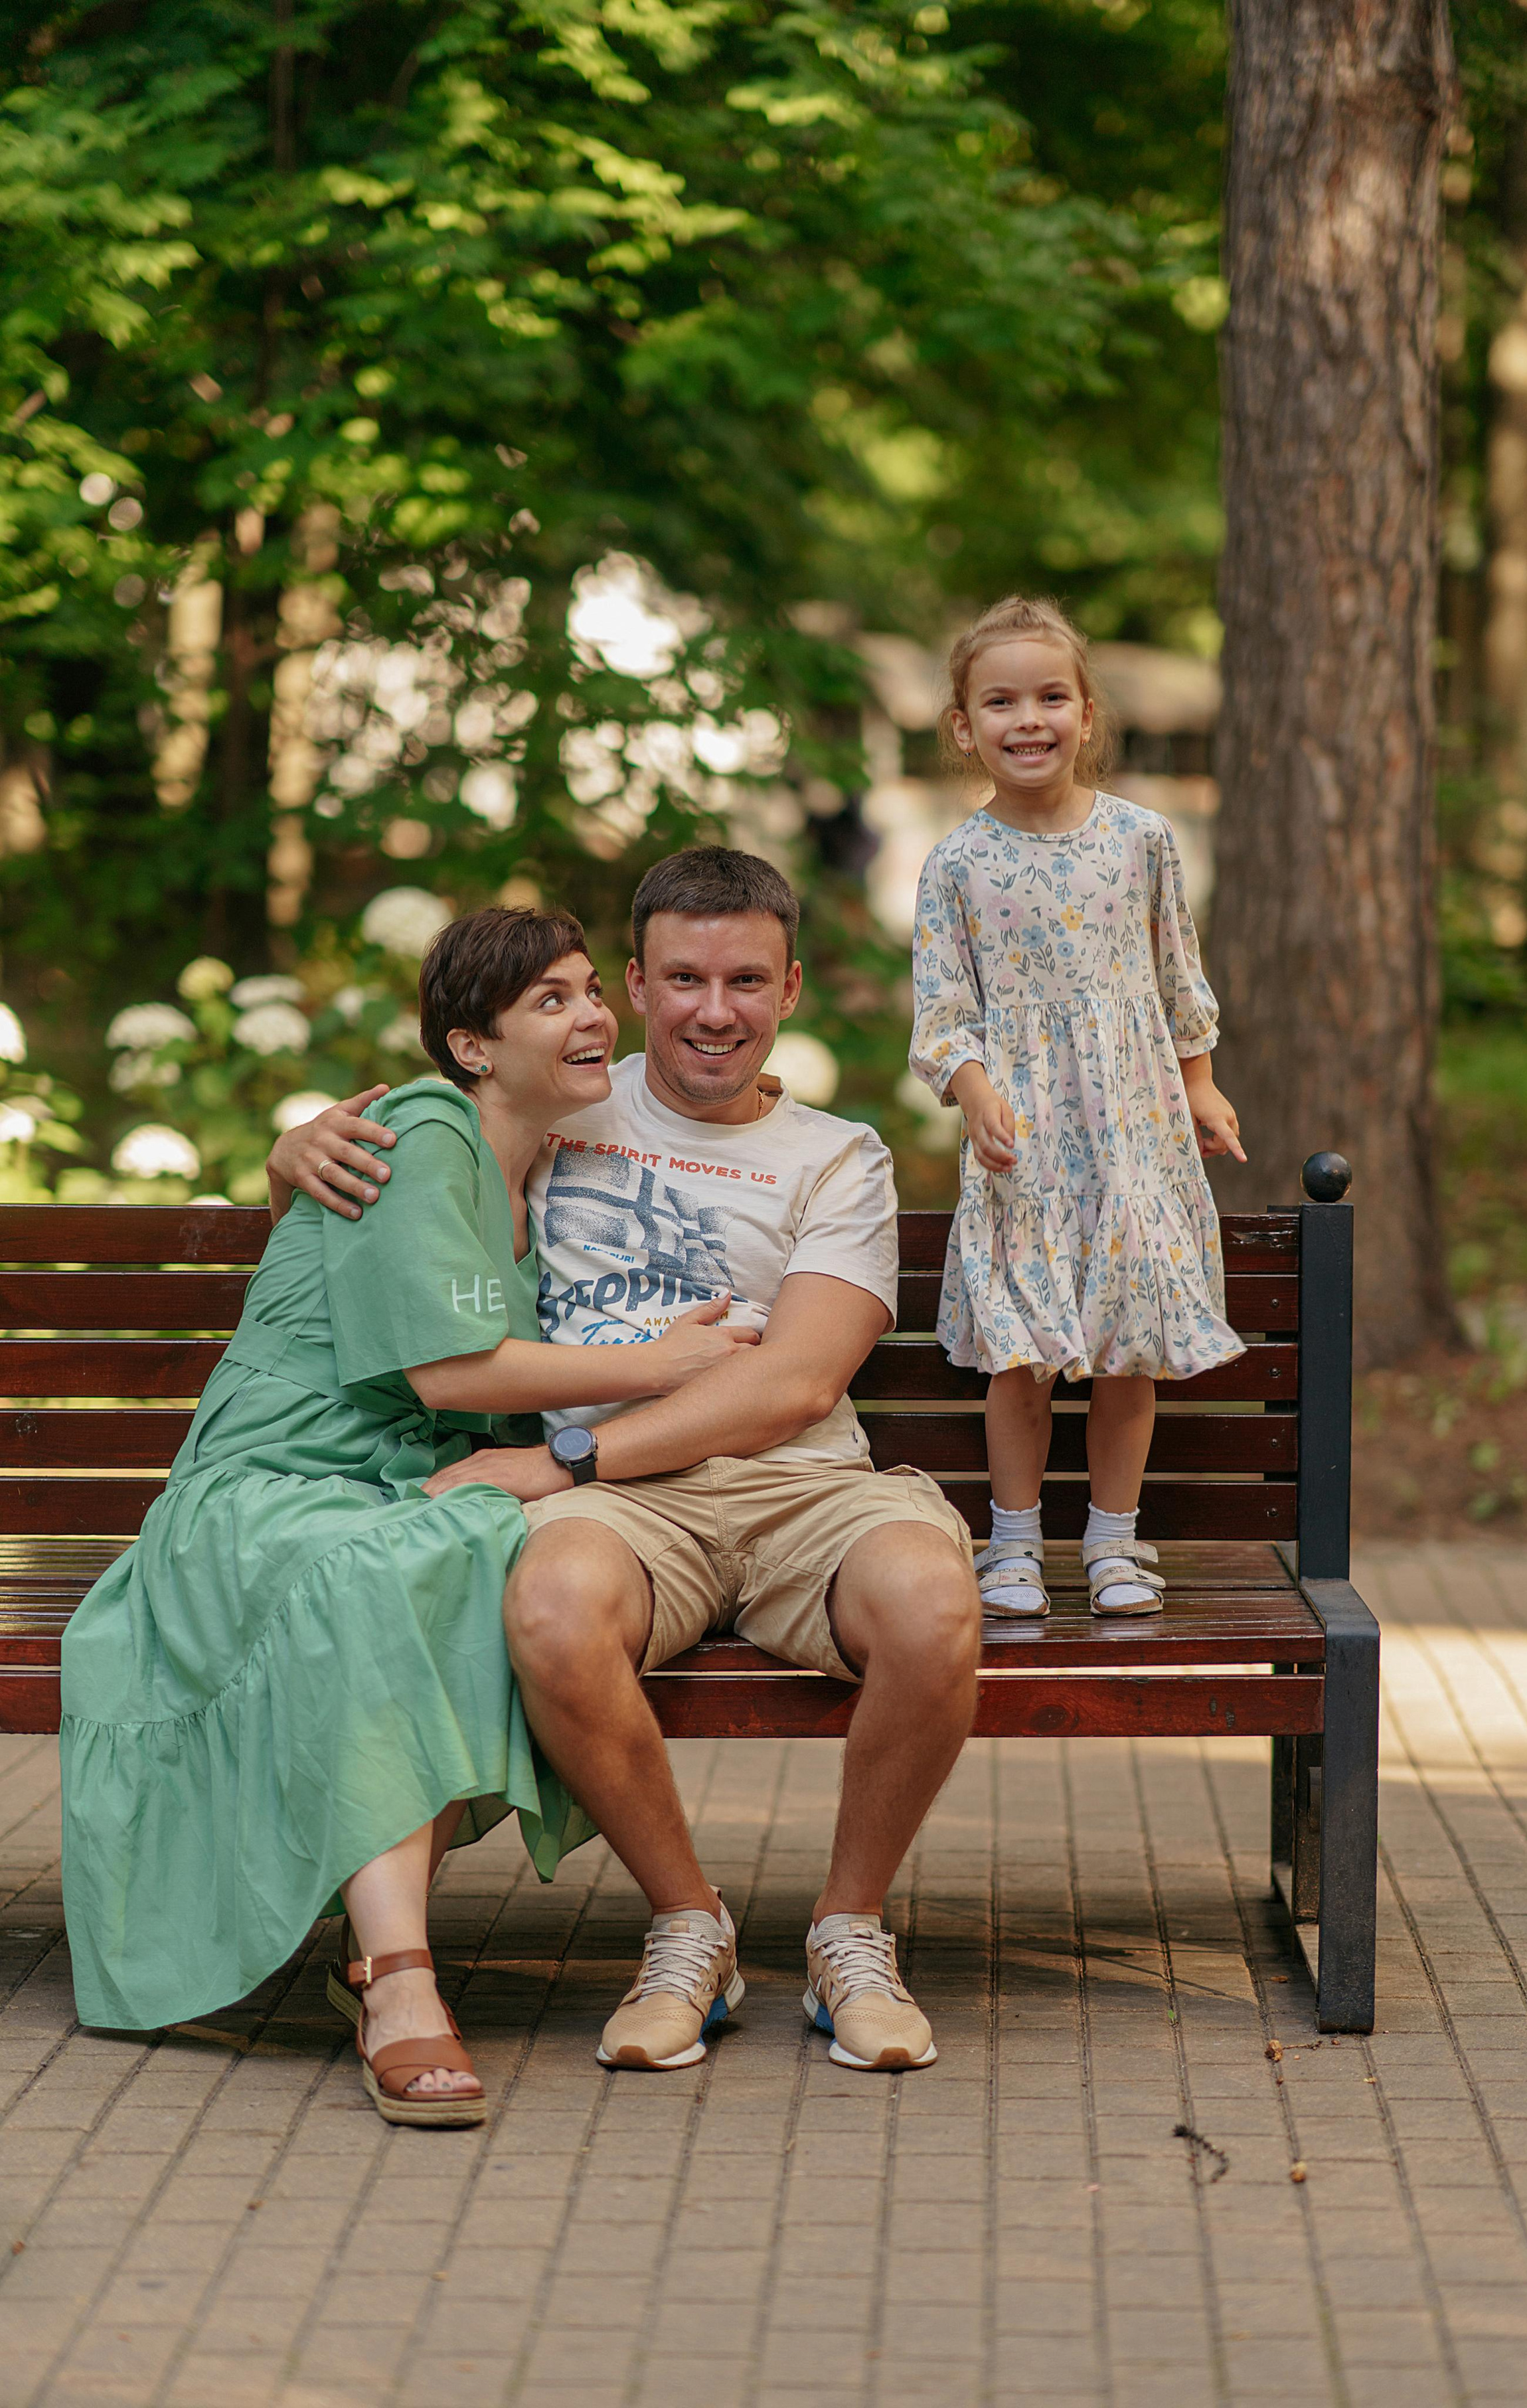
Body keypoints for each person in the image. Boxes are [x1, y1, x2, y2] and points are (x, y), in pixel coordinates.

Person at [274, 848, 983, 2075]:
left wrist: (567, 1458)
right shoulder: (559, 1107)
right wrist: (289, 1150)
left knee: (932, 1600)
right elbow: (409, 1155)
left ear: (792, 987)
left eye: (748, 980)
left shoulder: (839, 1155)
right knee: (548, 1606)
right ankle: (687, 1925)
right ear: (638, 988)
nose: (717, 1010)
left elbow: (797, 1381)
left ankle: (849, 1930)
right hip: (626, 1510)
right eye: (686, 978)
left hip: (796, 1481)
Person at [59, 906, 756, 2126]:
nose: (593, 1015)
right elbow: (448, 1375)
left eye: (594, 991)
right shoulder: (427, 1131)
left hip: (393, 1488)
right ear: (470, 1046)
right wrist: (658, 1365)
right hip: (271, 1488)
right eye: (551, 999)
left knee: (484, 1545)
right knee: (392, 1566)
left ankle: (374, 1947)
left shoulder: (544, 1162)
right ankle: (397, 1980)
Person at [908, 594, 1247, 1620]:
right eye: (1000, 700)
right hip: (1028, 1142)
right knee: (1024, 1347)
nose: (1029, 719)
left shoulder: (1142, 840)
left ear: (1087, 713)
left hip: (1134, 1133)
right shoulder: (957, 864)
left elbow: (1174, 970)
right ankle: (1013, 1542)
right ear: (965, 725)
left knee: (1125, 1345)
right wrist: (973, 1091)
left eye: (1052, 696)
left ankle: (1113, 1539)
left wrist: (1199, 1083)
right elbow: (943, 1010)